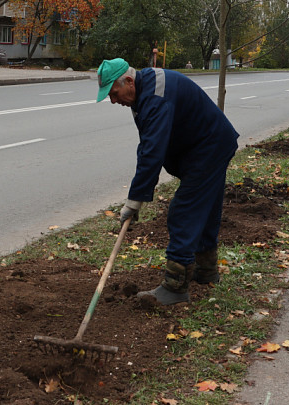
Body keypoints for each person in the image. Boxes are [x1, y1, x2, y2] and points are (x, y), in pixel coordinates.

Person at [96, 58, 240, 305]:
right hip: (205, 147)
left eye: (114, 93)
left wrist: (135, 200)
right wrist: (137, 196)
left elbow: (153, 151)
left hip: (209, 148)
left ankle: (175, 287)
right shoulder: (143, 93)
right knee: (204, 208)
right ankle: (206, 271)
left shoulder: (155, 95)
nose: (113, 100)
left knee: (183, 211)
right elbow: (148, 146)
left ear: (128, 81)